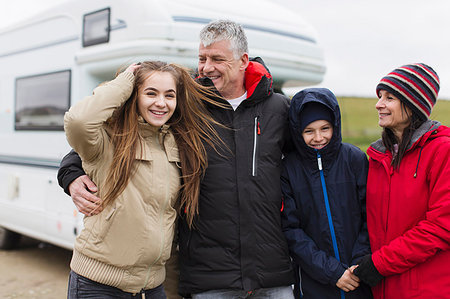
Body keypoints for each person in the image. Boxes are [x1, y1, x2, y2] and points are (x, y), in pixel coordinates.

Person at [58, 20, 295, 298]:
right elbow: (98, 142)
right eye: (202, 58)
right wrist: (71, 173)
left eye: (217, 59)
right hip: (210, 273)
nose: (206, 68)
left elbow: (305, 159)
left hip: (269, 269)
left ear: (243, 60)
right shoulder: (189, 105)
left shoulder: (278, 108)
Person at [64, 61, 225, 298]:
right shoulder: (107, 139)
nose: (161, 103)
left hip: (151, 287)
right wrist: (126, 80)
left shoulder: (179, 142)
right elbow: (78, 121)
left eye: (169, 95)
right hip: (98, 284)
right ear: (133, 95)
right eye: (151, 93)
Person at [353, 63, 450, 298]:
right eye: (379, 96)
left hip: (426, 289)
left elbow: (440, 227)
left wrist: (378, 264)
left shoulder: (441, 151)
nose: (379, 104)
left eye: (389, 97)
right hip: (382, 288)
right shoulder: (376, 157)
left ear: (413, 104)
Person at [281, 88, 373, 299]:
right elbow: (291, 230)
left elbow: (371, 214)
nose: (319, 137)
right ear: (297, 131)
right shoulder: (289, 169)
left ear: (335, 125)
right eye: (309, 131)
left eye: (325, 128)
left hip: (359, 278)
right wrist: (333, 272)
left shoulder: (355, 159)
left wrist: (357, 265)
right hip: (314, 282)